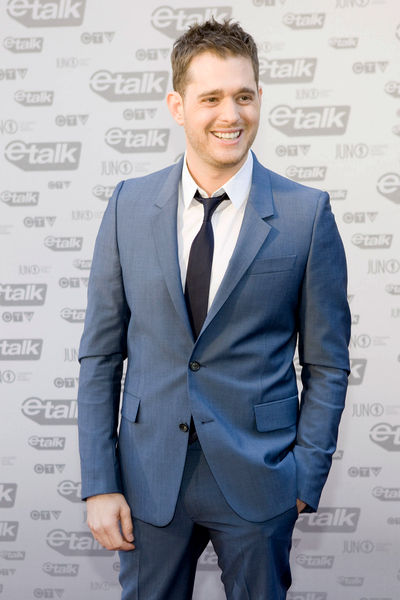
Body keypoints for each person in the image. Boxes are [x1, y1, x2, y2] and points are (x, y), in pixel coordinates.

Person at [77, 19, 351, 600]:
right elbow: (101, 356)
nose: (231, 114)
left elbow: (327, 364)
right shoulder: (128, 206)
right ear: (177, 106)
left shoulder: (306, 215)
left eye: (244, 96)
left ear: (259, 99)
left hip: (261, 481)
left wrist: (304, 475)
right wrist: (99, 483)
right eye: (211, 98)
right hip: (149, 480)